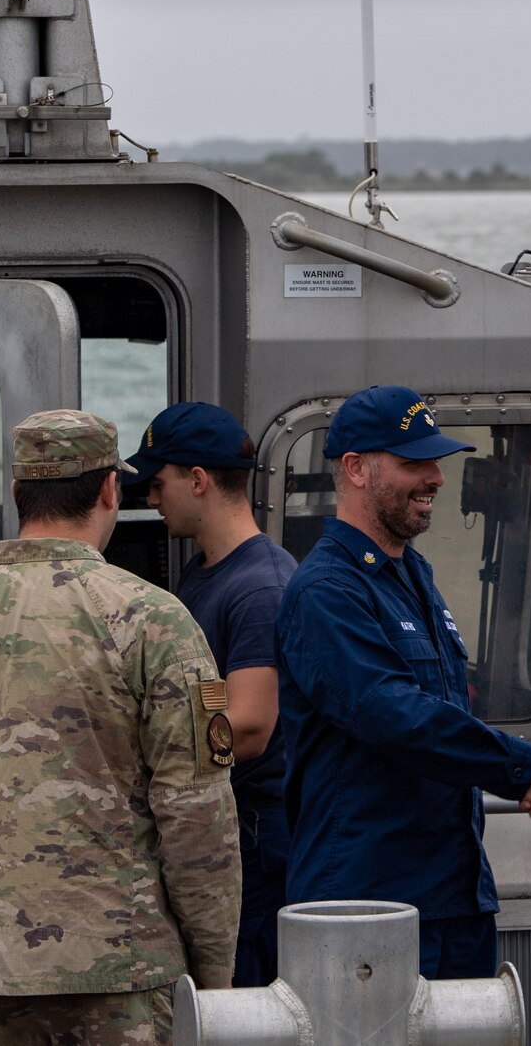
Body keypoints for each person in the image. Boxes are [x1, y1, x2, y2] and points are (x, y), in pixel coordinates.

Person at [0, 409, 240, 1046]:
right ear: (110, 490)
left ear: (16, 492)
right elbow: (196, 815)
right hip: (123, 974)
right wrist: (214, 974)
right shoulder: (153, 621)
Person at [274, 385, 531, 982]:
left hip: (451, 897)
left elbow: (444, 712)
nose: (436, 478)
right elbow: (394, 715)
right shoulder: (327, 593)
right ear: (356, 469)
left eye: (435, 462)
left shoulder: (411, 574)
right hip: (367, 907)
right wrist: (528, 771)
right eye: (413, 462)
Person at [123, 402, 296, 988]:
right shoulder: (205, 573)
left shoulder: (261, 588)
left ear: (197, 481)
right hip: (219, 823)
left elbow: (248, 725)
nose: (149, 498)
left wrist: (137, 751)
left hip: (255, 838)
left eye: (157, 481)